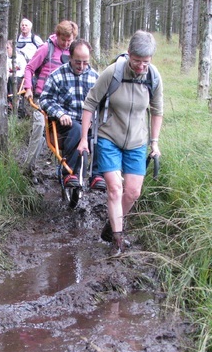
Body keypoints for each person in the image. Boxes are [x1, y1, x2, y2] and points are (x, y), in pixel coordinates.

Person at [77, 30, 164, 256]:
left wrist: (154, 143)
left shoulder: (153, 77)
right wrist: (84, 139)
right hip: (109, 138)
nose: (141, 67)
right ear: (129, 54)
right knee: (115, 189)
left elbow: (157, 111)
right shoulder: (113, 73)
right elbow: (90, 103)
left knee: (133, 192)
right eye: (137, 61)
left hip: (137, 141)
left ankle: (111, 225)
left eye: (146, 62)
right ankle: (118, 240)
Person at [39, 39, 106, 191]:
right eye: (77, 62)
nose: (81, 66)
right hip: (66, 124)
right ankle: (69, 173)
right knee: (76, 128)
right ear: (70, 57)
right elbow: (45, 99)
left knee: (101, 135)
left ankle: (96, 175)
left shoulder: (96, 78)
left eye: (85, 62)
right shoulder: (57, 76)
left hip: (89, 123)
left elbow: (102, 105)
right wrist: (60, 113)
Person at [23, 20, 78, 174]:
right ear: (58, 35)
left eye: (70, 40)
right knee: (40, 126)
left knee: (73, 128)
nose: (66, 43)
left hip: (63, 103)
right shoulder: (46, 48)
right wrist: (28, 88)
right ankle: (28, 167)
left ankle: (67, 167)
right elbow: (29, 68)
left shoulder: (73, 53)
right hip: (42, 98)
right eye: (63, 40)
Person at [7, 40, 27, 116]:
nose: (6, 50)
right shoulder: (5, 58)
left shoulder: (20, 58)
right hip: (8, 79)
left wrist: (14, 74)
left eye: (8, 48)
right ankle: (8, 102)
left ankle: (13, 102)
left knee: (11, 79)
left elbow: (24, 70)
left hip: (19, 79)